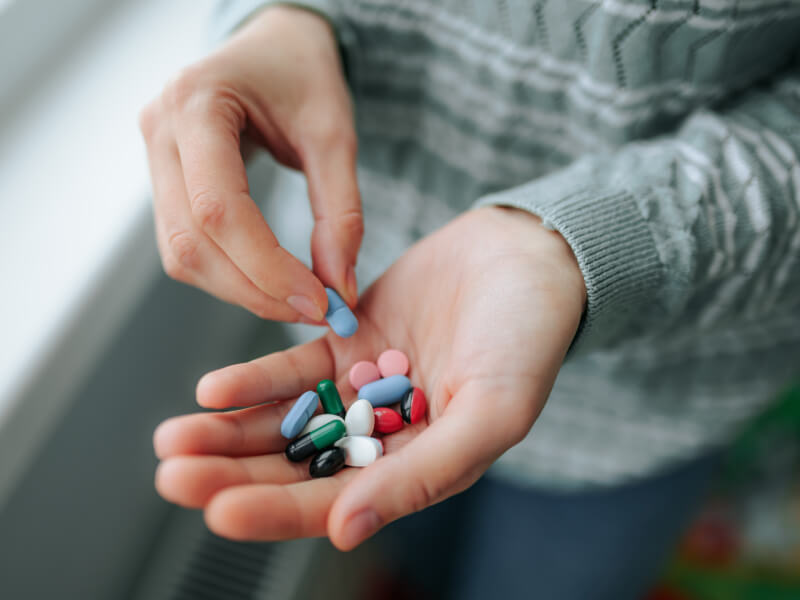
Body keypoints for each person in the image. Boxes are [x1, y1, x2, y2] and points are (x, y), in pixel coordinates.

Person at [142, 2, 800, 597]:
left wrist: (574, 246)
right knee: (417, 550)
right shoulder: (374, 400)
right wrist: (281, 23)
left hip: (637, 419)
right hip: (375, 324)